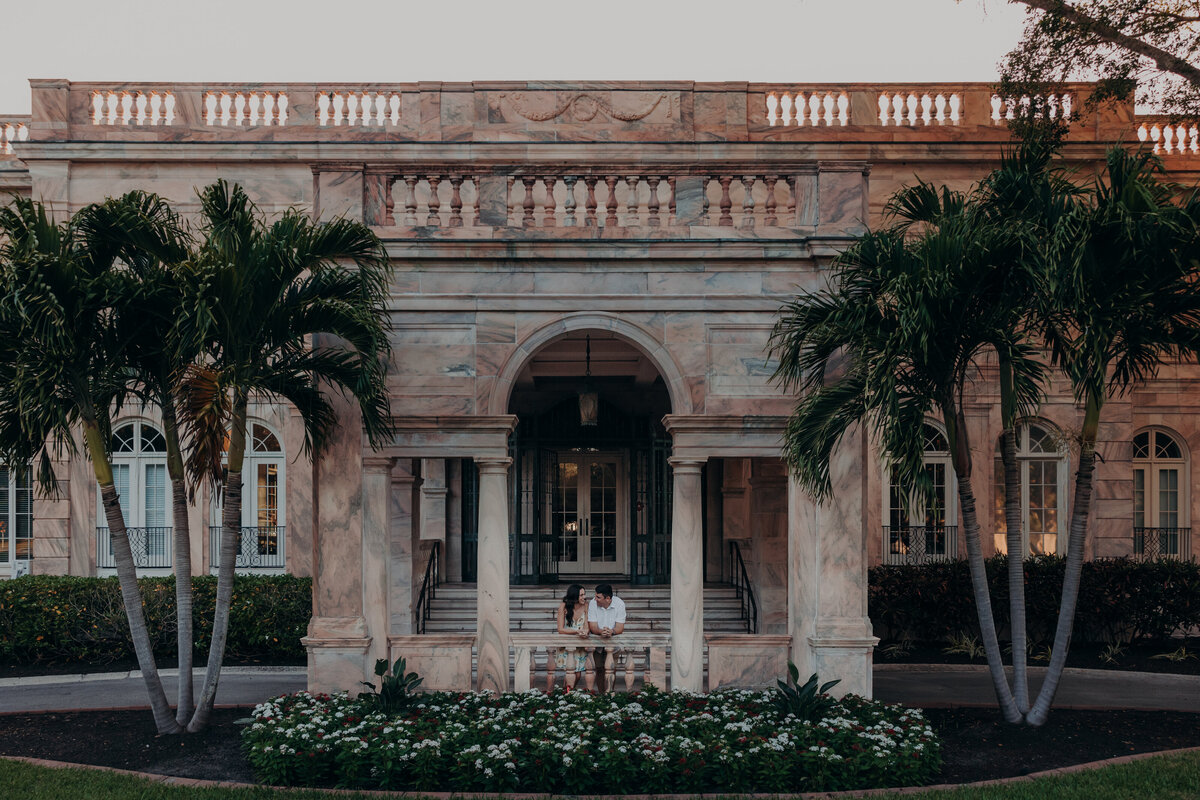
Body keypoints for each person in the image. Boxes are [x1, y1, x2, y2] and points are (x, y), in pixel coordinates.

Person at [550, 583, 594, 691]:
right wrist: (577, 631)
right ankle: (567, 694)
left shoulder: (586, 606)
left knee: (578, 675)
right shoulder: (563, 606)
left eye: (584, 594)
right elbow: (560, 629)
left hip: (580, 644)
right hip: (568, 644)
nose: (584, 597)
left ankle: (567, 692)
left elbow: (586, 626)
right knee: (570, 673)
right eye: (581, 595)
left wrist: (585, 632)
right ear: (574, 596)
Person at [587, 583, 628, 691]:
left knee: (611, 669)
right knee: (599, 668)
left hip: (613, 641)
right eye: (595, 596)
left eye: (598, 597)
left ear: (608, 598)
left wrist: (611, 632)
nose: (595, 599)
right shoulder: (592, 603)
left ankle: (609, 693)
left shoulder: (619, 604)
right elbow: (593, 626)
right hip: (597, 640)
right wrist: (602, 632)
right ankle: (601, 694)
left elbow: (620, 627)